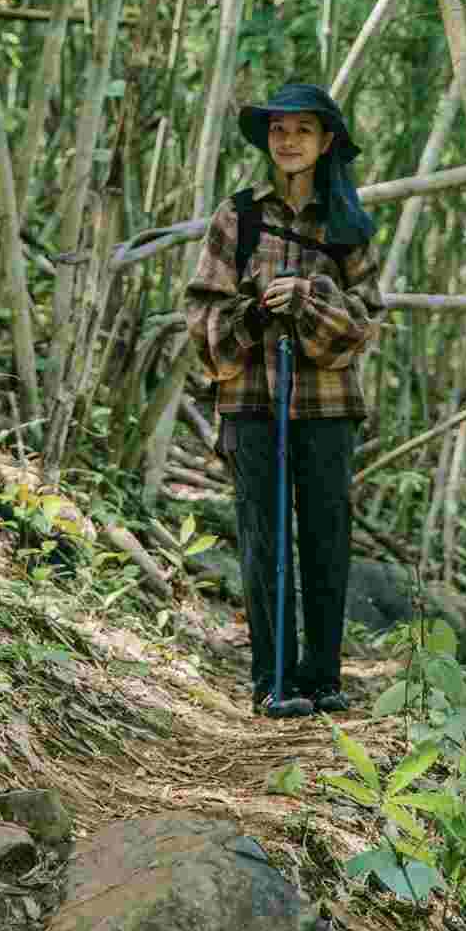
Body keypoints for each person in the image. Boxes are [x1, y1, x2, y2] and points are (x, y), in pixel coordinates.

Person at [185, 80, 382, 719]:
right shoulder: (236, 216)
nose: (288, 141)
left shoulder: (348, 225)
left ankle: (323, 680)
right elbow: (201, 317)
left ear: (327, 142)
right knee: (262, 535)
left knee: (326, 535)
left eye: (302, 129)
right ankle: (273, 683)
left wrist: (312, 301)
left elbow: (364, 324)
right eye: (278, 130)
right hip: (250, 401)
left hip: (327, 404)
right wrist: (252, 312)